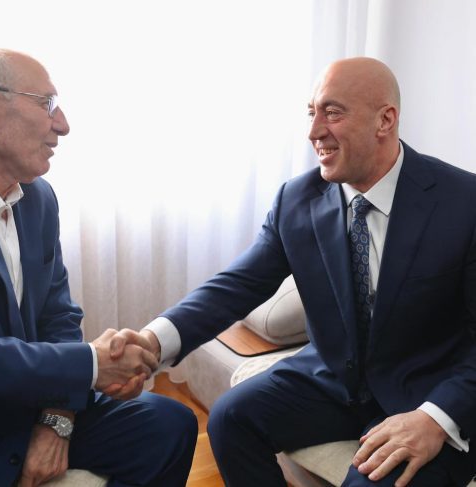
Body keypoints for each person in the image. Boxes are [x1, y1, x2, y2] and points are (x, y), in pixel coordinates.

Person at [115, 57, 476, 486]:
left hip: (428, 392)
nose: (314, 131)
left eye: (332, 112)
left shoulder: (463, 202)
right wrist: (152, 342)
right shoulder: (297, 200)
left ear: (385, 120)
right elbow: (235, 287)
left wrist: (436, 418)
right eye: (312, 113)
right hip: (334, 381)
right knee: (231, 417)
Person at [0, 48, 196, 486]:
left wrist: (56, 419)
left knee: (169, 426)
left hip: (24, 406)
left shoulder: (38, 197)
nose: (63, 124)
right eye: (47, 103)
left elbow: (57, 316)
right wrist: (91, 365)